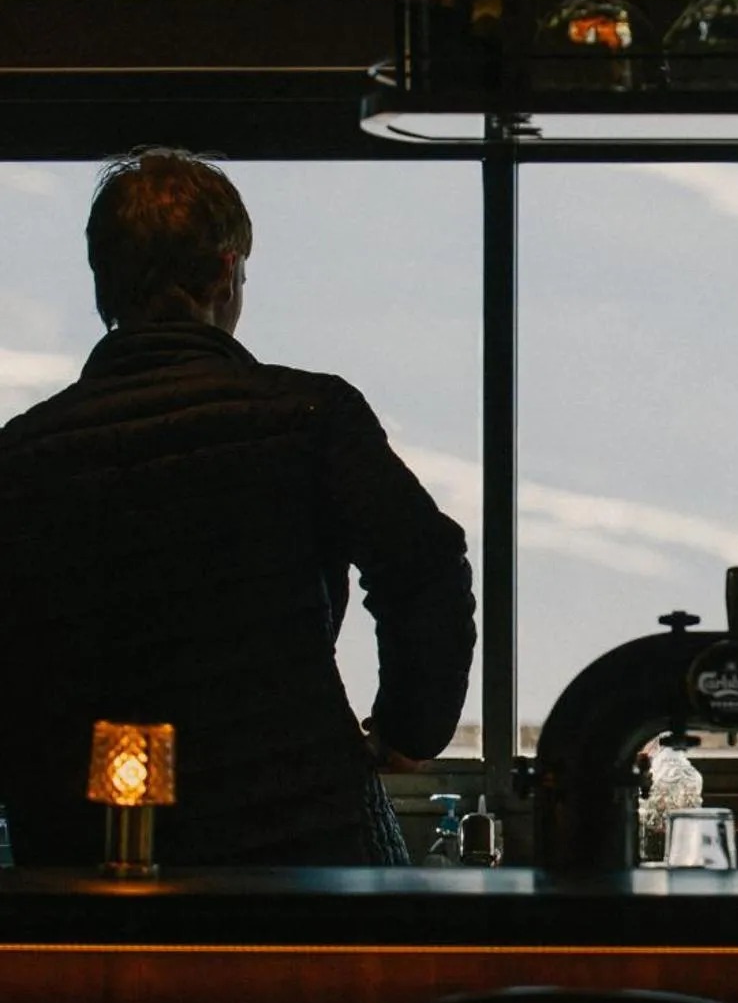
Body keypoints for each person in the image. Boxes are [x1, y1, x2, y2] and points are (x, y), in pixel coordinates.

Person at [0, 149, 475, 865]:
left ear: (106, 285)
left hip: (85, 850)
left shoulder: (21, 456)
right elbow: (423, 564)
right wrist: (410, 731)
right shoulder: (307, 416)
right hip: (301, 839)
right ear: (226, 271)